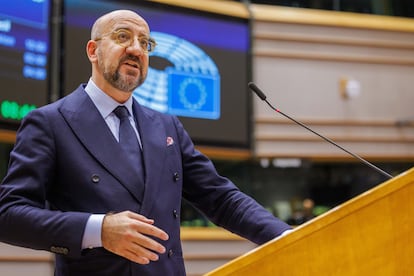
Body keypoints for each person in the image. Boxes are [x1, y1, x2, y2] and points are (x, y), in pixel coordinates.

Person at [0, 10, 291, 275]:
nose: (136, 49)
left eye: (145, 43)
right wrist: (98, 230)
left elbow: (220, 197)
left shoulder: (167, 126)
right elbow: (9, 214)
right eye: (122, 37)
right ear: (93, 50)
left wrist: (285, 236)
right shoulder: (50, 123)